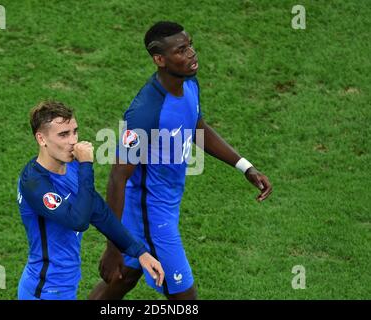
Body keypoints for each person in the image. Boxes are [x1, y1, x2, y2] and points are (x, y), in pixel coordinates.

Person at [89, 21, 272, 300]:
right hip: (152, 217)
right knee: (186, 300)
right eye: (181, 50)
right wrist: (113, 247)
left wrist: (244, 167)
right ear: (159, 59)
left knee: (122, 280)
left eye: (191, 45)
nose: (192, 54)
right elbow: (117, 176)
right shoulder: (146, 112)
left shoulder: (189, 84)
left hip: (161, 208)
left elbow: (196, 126)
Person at [16, 101, 164, 300]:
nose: (73, 141)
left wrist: (140, 252)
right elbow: (77, 220)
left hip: (65, 286)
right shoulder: (33, 183)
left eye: (74, 132)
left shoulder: (72, 167)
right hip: (44, 290)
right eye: (63, 135)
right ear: (41, 139)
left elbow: (99, 212)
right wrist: (86, 164)